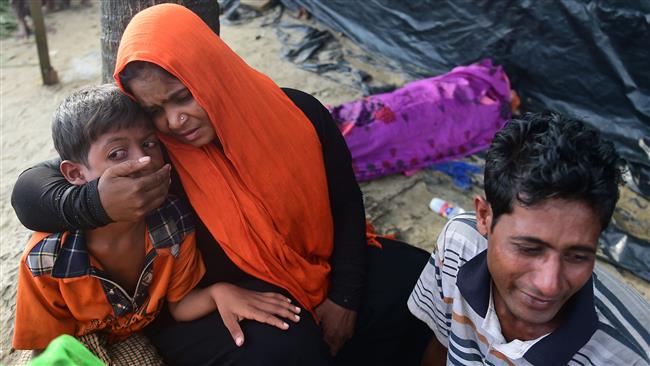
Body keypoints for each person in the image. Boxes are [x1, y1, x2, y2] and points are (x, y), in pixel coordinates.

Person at [11, 4, 431, 365]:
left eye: (182, 96)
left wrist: (344, 297)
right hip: (201, 299)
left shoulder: (297, 115)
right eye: (155, 110)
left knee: (416, 279)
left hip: (313, 260)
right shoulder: (156, 156)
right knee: (286, 345)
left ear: (212, 71)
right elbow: (31, 193)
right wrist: (96, 204)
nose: (174, 120)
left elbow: (345, 205)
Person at [12, 84, 299, 362]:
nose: (144, 159)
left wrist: (216, 293)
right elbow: (47, 348)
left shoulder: (171, 223)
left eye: (149, 143)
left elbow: (180, 303)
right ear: (75, 174)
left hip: (135, 341)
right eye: (117, 154)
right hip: (74, 346)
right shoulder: (47, 258)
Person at [408, 112, 650, 365]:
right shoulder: (458, 247)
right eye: (529, 249)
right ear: (484, 217)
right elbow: (441, 348)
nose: (549, 285)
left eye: (577, 256)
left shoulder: (631, 357)